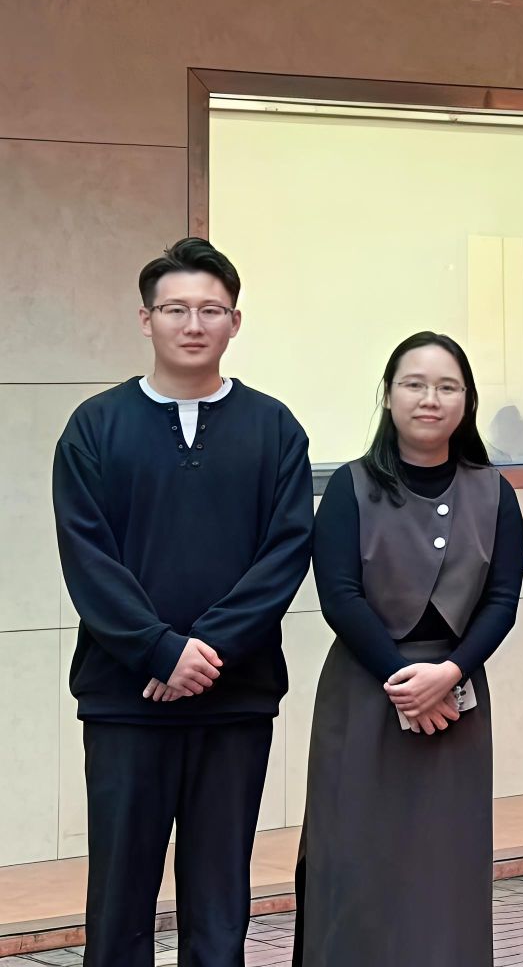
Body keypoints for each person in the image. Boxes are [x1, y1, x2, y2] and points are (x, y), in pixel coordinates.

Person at [52, 238, 314, 967]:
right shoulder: (95, 427)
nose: (193, 324)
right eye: (175, 309)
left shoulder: (274, 429)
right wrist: (159, 650)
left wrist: (206, 651)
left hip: (235, 700)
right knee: (119, 900)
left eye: (210, 309)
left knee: (220, 902)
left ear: (235, 321)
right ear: (146, 319)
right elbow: (87, 556)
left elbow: (285, 553)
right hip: (123, 700)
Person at [294, 332, 523, 965]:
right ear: (388, 395)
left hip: (456, 698)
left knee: (447, 862)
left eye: (447, 387)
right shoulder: (350, 486)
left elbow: (502, 602)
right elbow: (340, 596)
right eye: (414, 385)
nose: (430, 399)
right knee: (354, 856)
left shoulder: (494, 491)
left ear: (467, 400)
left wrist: (449, 673)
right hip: (364, 691)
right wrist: (404, 681)